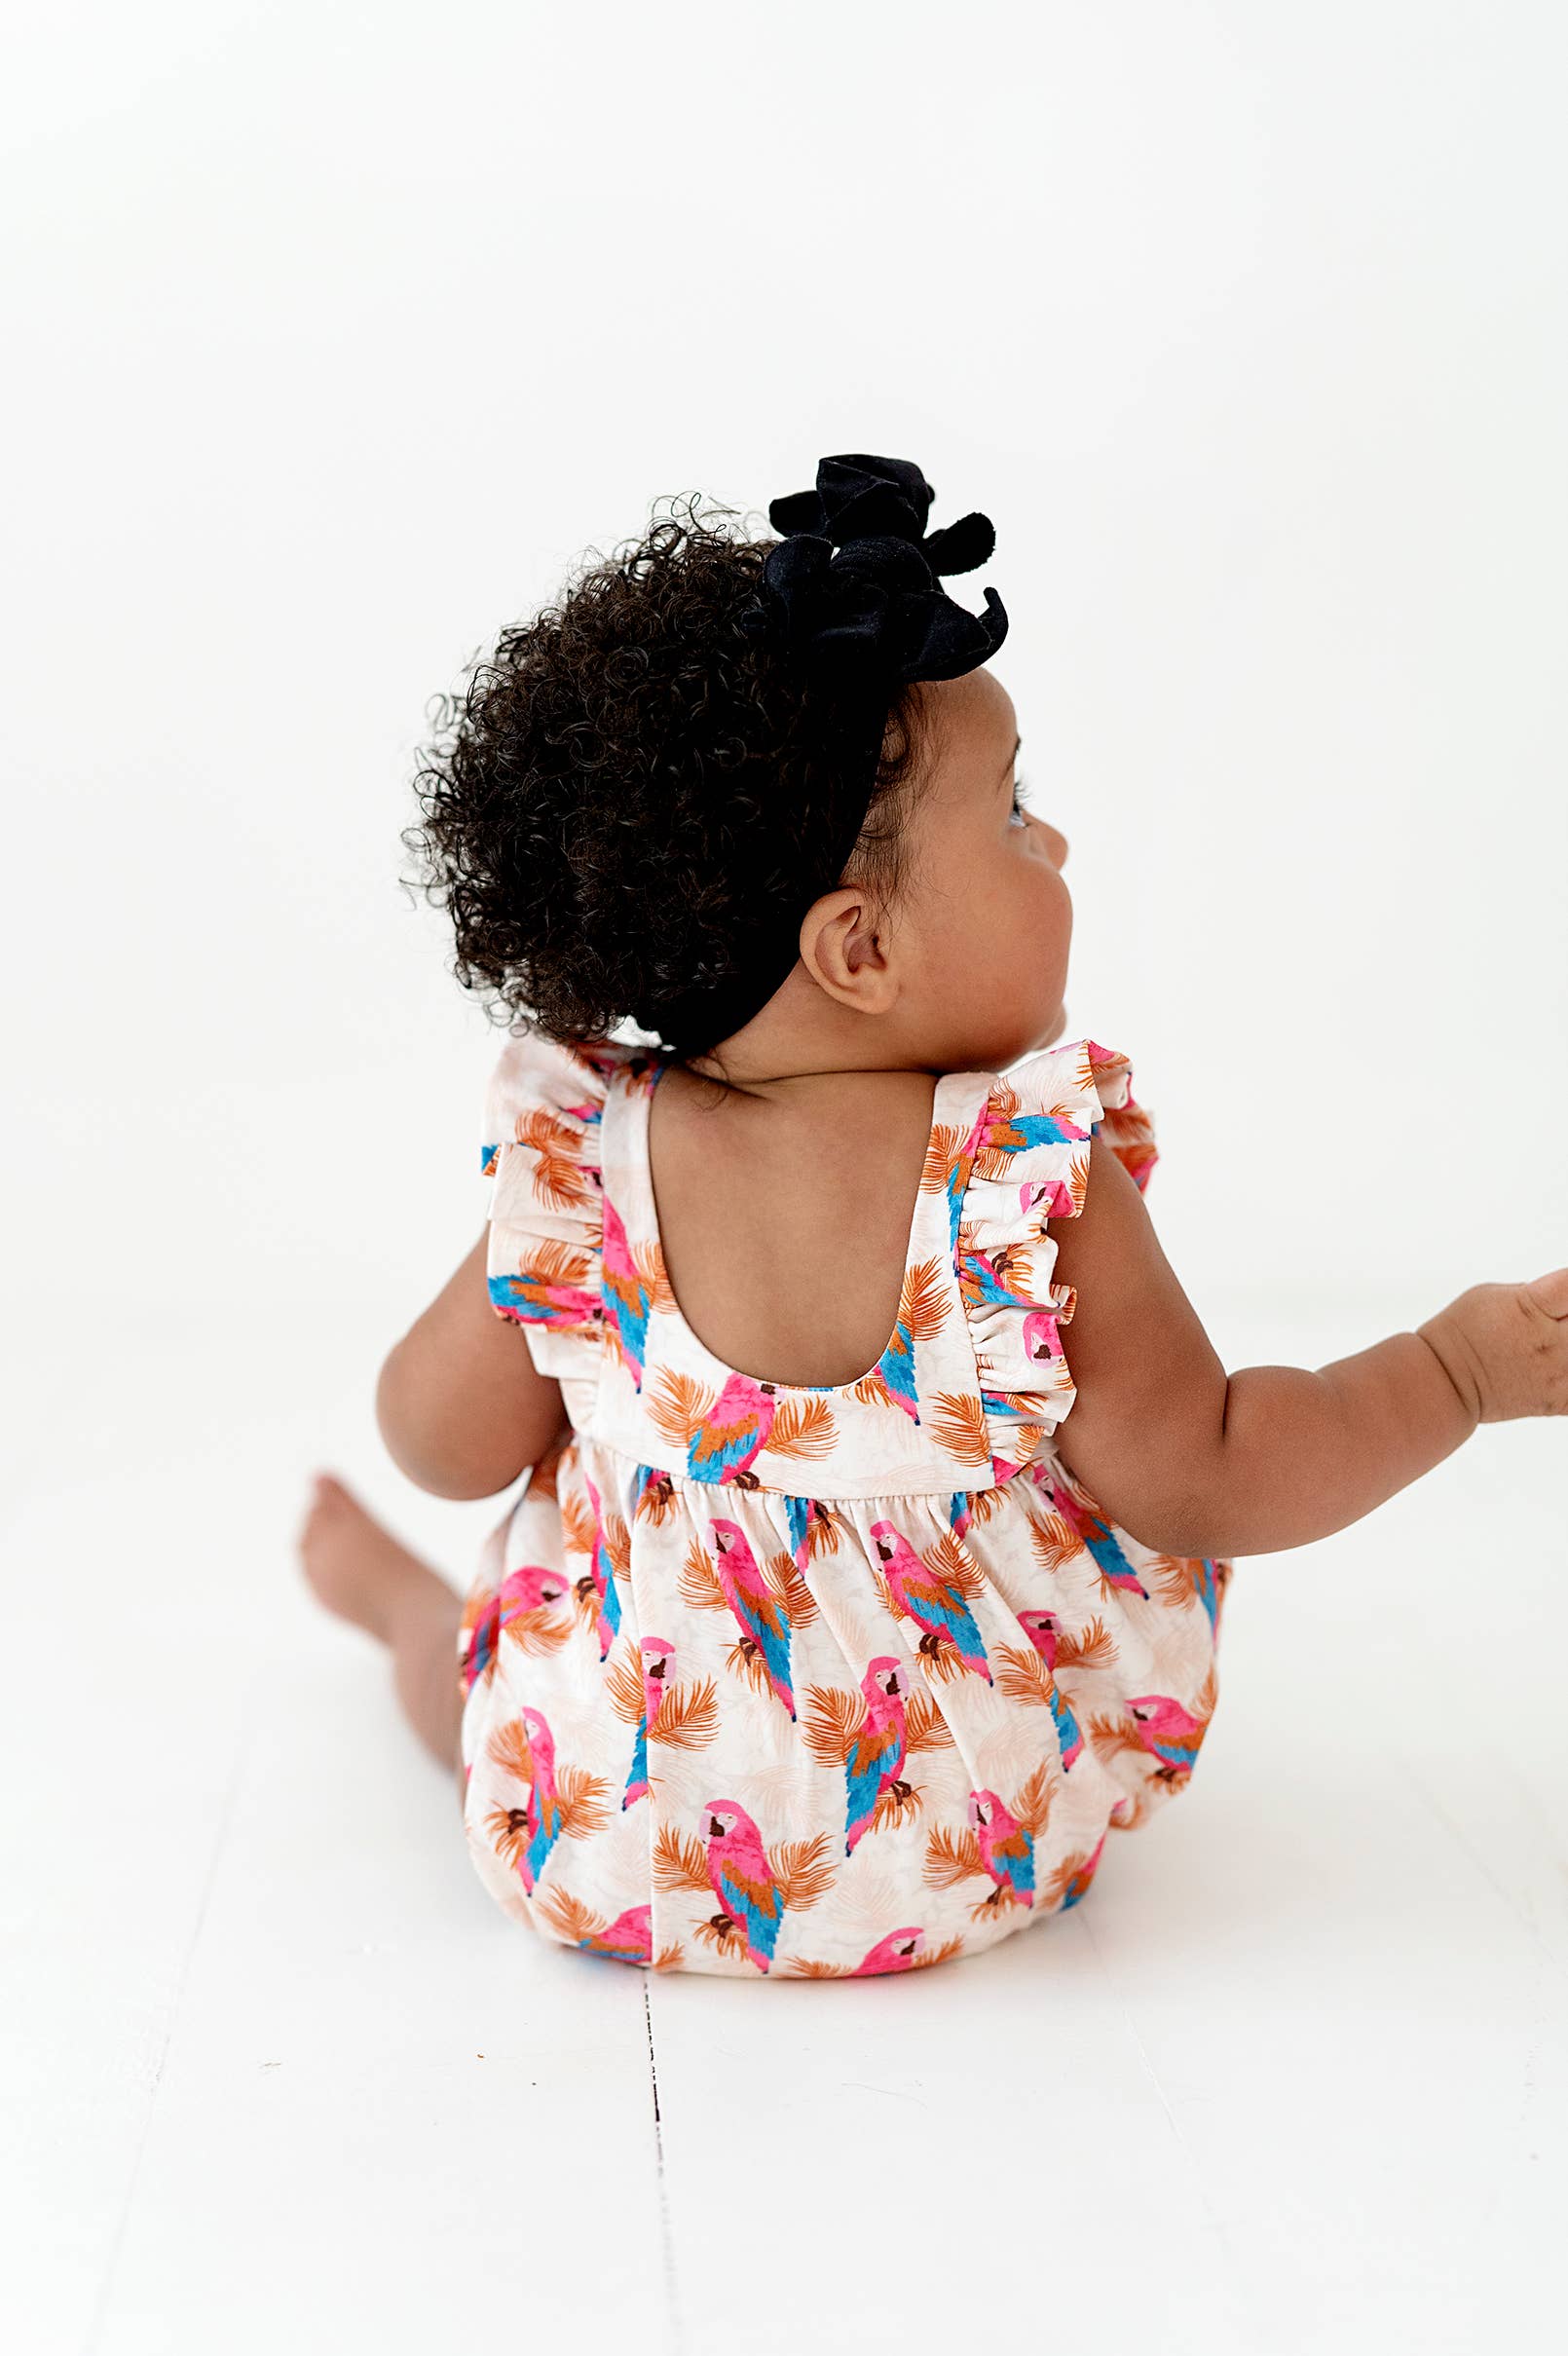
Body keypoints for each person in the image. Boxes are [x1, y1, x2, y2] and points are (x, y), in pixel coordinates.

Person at [298, 452, 1568, 1978]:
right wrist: (1457, 1371)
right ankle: (402, 1618)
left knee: (487, 1713)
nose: (1058, 847)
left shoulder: (586, 1161)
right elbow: (1212, 1474)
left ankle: (395, 1618)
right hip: (977, 1847)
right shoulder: (1018, 1180)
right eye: (1016, 813)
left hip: (612, 1835)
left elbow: (439, 1443)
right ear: (859, 948)